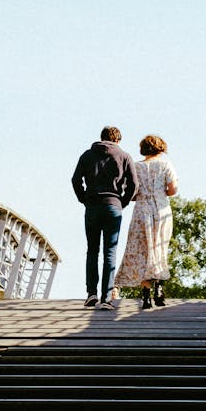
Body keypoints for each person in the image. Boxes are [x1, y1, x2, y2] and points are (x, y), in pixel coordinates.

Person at [72, 126, 138, 310]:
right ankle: (106, 298)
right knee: (110, 252)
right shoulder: (124, 156)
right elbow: (134, 184)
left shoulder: (87, 155)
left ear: (101, 138)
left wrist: (84, 198)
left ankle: (91, 293)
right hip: (113, 207)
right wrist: (122, 202)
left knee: (92, 250)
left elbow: (75, 180)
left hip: (92, 206)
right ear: (117, 140)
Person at [114, 134, 178, 309]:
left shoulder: (136, 167)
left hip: (142, 211)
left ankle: (146, 296)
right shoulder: (166, 165)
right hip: (161, 210)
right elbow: (173, 190)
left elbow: (131, 193)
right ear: (160, 148)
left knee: (143, 251)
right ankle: (158, 288)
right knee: (159, 248)